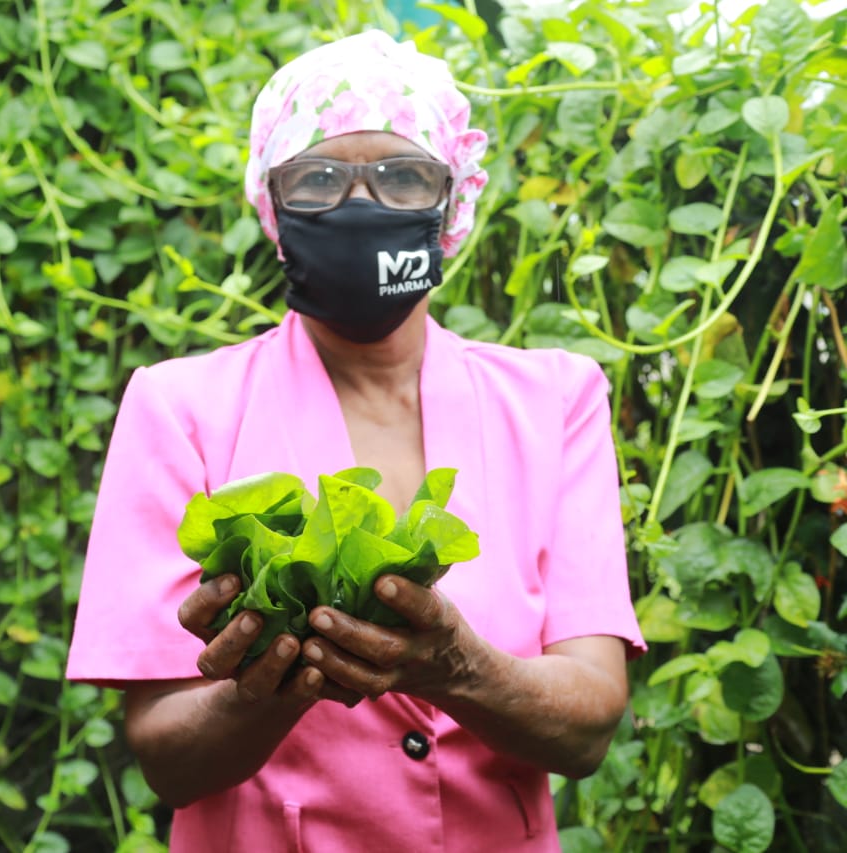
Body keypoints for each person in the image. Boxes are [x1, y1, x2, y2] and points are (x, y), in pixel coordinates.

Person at [65, 30, 645, 852]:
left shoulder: (556, 401)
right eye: (320, 180)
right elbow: (168, 756)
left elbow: (588, 724)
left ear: (452, 203)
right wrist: (275, 682)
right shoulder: (179, 407)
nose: (360, 206)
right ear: (272, 204)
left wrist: (456, 662)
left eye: (404, 177)